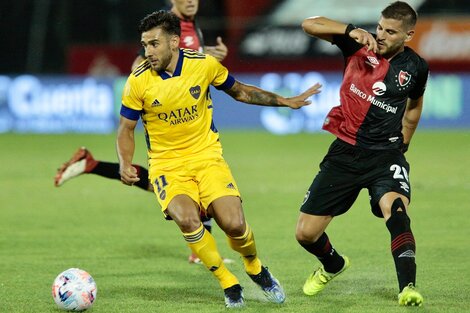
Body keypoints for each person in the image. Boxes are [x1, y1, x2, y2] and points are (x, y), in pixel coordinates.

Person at [117, 10, 320, 308]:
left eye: (154, 44)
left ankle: (254, 267)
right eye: (144, 45)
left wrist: (283, 100)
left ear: (174, 42)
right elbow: (126, 129)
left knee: (234, 224)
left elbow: (240, 92)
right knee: (187, 219)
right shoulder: (138, 81)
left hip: (207, 157)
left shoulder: (203, 66)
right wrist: (124, 162)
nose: (148, 52)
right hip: (167, 166)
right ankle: (228, 282)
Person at [54, 0, 228, 264]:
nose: (192, 0)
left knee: (166, 184)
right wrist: (149, 94)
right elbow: (142, 62)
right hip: (166, 119)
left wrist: (210, 53)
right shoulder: (165, 25)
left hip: (188, 119)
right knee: (183, 183)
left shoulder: (190, 25)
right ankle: (200, 250)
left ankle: (91, 164)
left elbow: (191, 58)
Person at [295, 1, 428, 307]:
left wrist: (404, 143)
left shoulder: (416, 67)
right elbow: (309, 24)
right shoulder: (357, 42)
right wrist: (349, 29)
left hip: (385, 156)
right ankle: (333, 265)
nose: (381, 35)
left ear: (408, 35)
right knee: (305, 234)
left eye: (390, 31)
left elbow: (415, 105)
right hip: (344, 152)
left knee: (396, 213)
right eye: (380, 27)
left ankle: (408, 287)